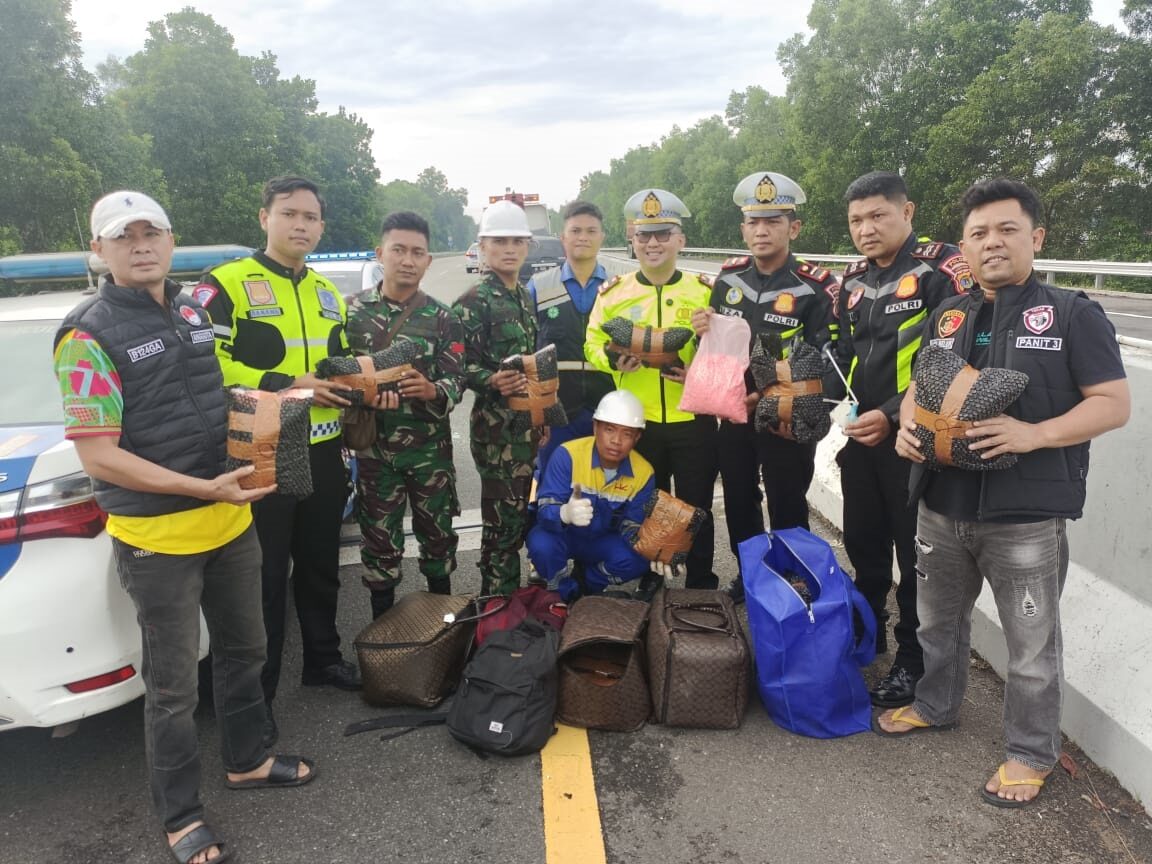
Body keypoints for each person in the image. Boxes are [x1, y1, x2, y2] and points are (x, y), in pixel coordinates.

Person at [55, 191, 315, 864]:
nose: (142, 245)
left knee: (245, 652)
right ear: (100, 251)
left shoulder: (197, 309)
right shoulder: (86, 334)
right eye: (125, 236)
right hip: (158, 540)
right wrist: (201, 487)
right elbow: (98, 453)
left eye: (153, 232)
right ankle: (179, 817)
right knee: (172, 691)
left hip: (230, 519)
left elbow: (215, 394)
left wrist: (270, 413)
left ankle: (248, 760)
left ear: (172, 241)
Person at [879, 178, 1130, 807]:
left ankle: (1029, 752)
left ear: (1036, 238)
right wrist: (909, 428)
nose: (992, 243)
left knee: (1031, 646)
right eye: (978, 233)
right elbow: (920, 391)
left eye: (1007, 230)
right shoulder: (948, 313)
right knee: (936, 624)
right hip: (941, 506)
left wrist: (1035, 432)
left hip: (1025, 519)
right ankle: (935, 705)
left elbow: (1113, 404)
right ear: (962, 246)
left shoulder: (1072, 313)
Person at [198, 176, 360, 750]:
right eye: (289, 213)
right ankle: (254, 698)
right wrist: (290, 385)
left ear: (321, 226)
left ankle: (323, 660)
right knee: (262, 581)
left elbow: (335, 361)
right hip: (262, 448)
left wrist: (366, 381)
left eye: (311, 217)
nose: (301, 225)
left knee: (320, 565)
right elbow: (204, 366)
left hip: (320, 448)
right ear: (263, 217)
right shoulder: (224, 286)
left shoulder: (325, 291)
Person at [825, 171, 974, 709]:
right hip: (862, 441)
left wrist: (891, 415)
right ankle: (869, 635)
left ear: (906, 212)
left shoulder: (942, 271)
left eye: (877, 216)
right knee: (864, 547)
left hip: (916, 442)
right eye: (855, 221)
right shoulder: (851, 281)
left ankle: (913, 662)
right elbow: (840, 357)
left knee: (915, 560)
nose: (865, 229)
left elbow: (953, 360)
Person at [691, 171, 840, 603]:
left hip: (786, 417)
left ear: (793, 228)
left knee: (787, 502)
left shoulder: (816, 287)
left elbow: (826, 362)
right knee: (739, 499)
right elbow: (718, 350)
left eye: (773, 221)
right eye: (753, 222)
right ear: (742, 229)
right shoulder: (728, 280)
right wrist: (702, 329)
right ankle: (751, 574)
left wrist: (781, 399)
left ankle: (794, 578)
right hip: (735, 412)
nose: (761, 231)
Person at [585, 188, 718, 590]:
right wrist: (612, 360)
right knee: (645, 508)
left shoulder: (705, 291)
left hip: (692, 418)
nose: (653, 243)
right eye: (644, 235)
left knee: (696, 508)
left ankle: (700, 584)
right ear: (632, 239)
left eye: (663, 233)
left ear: (681, 239)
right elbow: (590, 343)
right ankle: (651, 582)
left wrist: (696, 368)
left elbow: (726, 355)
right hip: (637, 422)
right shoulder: (614, 293)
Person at [345, 211, 465, 619]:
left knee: (438, 540)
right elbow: (337, 375)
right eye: (399, 250)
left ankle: (443, 631)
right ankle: (385, 641)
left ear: (429, 260)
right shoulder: (352, 313)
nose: (408, 260)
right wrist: (363, 396)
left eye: (417, 252)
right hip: (376, 455)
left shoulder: (444, 317)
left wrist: (433, 390)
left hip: (430, 453)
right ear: (381, 253)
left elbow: (457, 380)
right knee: (380, 546)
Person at [451, 201, 541, 595]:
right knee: (502, 522)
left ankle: (506, 597)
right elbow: (453, 365)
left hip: (526, 427)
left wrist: (542, 419)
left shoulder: (523, 296)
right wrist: (490, 380)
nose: (509, 248)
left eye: (517, 241)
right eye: (499, 241)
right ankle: (498, 607)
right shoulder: (474, 302)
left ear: (527, 246)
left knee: (518, 516)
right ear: (482, 248)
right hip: (495, 434)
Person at [526, 390, 667, 601]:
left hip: (602, 541)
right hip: (564, 536)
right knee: (540, 544)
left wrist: (660, 551)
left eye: (627, 433)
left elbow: (633, 527)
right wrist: (564, 514)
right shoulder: (567, 455)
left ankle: (587, 585)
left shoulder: (644, 473)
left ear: (637, 437)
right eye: (609, 430)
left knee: (639, 559)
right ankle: (561, 590)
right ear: (595, 427)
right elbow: (545, 509)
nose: (617, 441)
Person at [527, 200, 633, 479]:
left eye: (590, 231)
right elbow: (526, 351)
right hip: (557, 413)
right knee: (554, 485)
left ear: (602, 237)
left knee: (608, 486)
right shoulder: (538, 287)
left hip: (610, 411)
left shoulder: (621, 287)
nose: (583, 237)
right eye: (575, 231)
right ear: (563, 237)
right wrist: (537, 412)